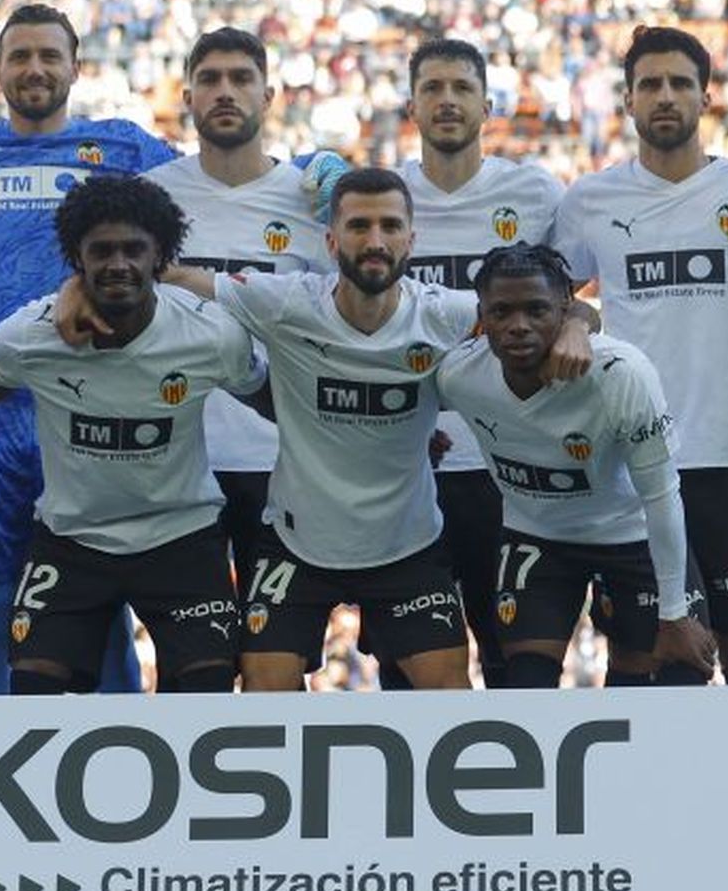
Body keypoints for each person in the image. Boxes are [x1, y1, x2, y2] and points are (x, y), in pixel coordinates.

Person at [130, 168, 593, 691]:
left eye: (390, 226)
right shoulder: (287, 302)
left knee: (450, 695)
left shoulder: (445, 313)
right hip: (297, 544)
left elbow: (567, 307)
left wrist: (577, 326)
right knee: (263, 690)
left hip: (407, 547)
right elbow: (175, 276)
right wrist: (80, 284)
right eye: (359, 226)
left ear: (411, 241)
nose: (375, 241)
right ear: (331, 240)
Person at [0, 4, 176, 694]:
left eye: (50, 56)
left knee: (102, 598)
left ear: (76, 67)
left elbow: (217, 189)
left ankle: (118, 749)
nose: (35, 69)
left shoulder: (122, 148)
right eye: (20, 56)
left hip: (89, 413)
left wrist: (315, 173)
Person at [554, 26, 728, 685]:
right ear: (627, 101)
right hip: (633, 470)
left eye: (680, 83)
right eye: (650, 84)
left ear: (706, 97)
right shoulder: (591, 202)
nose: (666, 96)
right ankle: (643, 791)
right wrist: (576, 316)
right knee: (640, 653)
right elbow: (543, 306)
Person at [0, 175, 263, 694]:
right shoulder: (32, 335)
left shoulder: (211, 335)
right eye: (101, 250)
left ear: (160, 255)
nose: (118, 264)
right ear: (76, 257)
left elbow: (280, 405)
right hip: (72, 540)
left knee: (207, 690)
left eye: (134, 249)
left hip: (181, 536)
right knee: (34, 693)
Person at [435, 242, 717, 687]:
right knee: (524, 684)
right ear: (482, 317)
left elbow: (661, 496)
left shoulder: (622, 375)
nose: (518, 327)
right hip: (537, 538)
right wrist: (422, 439)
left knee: (670, 677)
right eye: (501, 312)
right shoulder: (458, 376)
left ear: (566, 307)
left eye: (536, 310)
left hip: (632, 534)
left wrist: (674, 614)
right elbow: (401, 410)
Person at [398, 37, 568, 689]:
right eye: (433, 89)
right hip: (411, 469)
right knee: (415, 674)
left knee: (516, 668)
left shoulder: (534, 195)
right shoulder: (385, 202)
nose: (446, 101)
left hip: (509, 470)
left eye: (460, 89)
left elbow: (569, 308)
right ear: (411, 105)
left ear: (487, 105)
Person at [145, 27, 333, 594]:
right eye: (210, 79)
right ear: (188, 98)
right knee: (189, 664)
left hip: (280, 459)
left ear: (269, 97)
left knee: (275, 661)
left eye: (241, 78)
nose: (225, 91)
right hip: (176, 463)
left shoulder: (314, 200)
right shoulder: (148, 199)